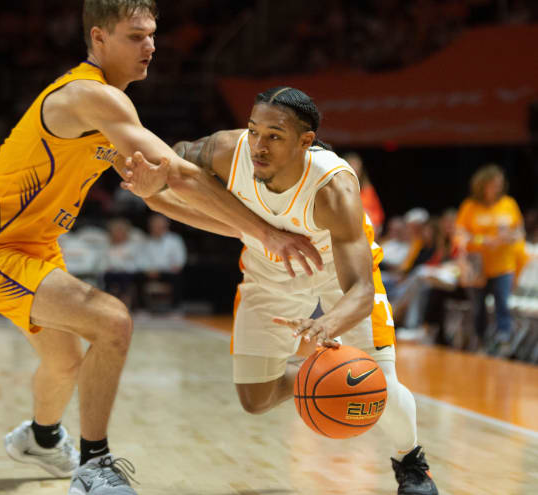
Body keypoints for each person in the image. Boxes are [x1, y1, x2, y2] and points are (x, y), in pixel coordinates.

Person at [0, 2, 322, 495]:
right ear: (99, 38)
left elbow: (163, 194)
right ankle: (94, 465)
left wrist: (244, 232)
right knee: (112, 321)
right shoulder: (90, 97)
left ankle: (40, 439)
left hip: (34, 247)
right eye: (135, 36)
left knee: (63, 362)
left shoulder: (111, 109)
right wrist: (268, 232)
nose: (150, 46)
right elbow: (185, 174)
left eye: (152, 36)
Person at [129, 86, 439, 494]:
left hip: (334, 268)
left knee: (376, 379)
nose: (258, 145)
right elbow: (172, 156)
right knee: (255, 399)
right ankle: (311, 376)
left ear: (305, 141)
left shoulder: (333, 188)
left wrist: (327, 325)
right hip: (267, 264)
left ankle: (411, 462)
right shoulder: (227, 149)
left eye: (274, 136)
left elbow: (361, 290)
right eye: (254, 130)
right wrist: (151, 175)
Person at [455, 164, 525, 354]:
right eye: (493, 184)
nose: (497, 188)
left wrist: (509, 237)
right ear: (482, 185)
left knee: (502, 304)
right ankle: (481, 342)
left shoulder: (508, 204)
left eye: (499, 184)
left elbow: (519, 231)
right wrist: (482, 240)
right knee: (478, 308)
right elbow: (460, 235)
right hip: (477, 266)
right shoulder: (470, 207)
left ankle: (504, 345)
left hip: (503, 265)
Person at [137, 213, 186, 312]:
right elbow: (140, 259)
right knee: (138, 277)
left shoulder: (175, 240)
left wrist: (174, 267)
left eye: (160, 225)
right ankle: (142, 308)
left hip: (167, 271)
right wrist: (148, 270)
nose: (157, 228)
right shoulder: (145, 241)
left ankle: (175, 308)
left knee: (177, 277)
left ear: (166, 226)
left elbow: (179, 259)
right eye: (155, 225)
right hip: (150, 272)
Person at [344, 152, 385, 236]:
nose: (355, 169)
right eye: (351, 165)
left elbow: (378, 214)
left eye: (357, 166)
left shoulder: (368, 189)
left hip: (366, 230)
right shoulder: (338, 187)